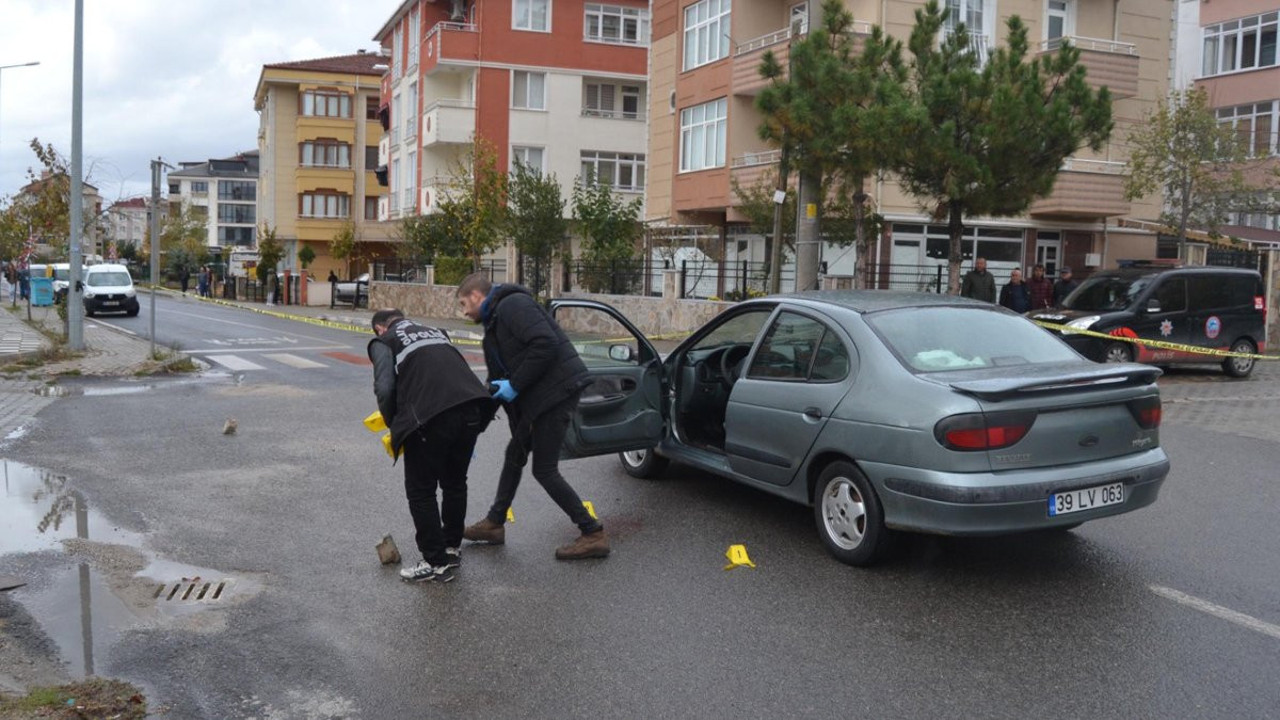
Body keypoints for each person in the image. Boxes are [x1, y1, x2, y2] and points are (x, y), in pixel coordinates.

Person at [456, 273, 610, 560]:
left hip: (556, 394)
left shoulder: (513, 305)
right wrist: (472, 427)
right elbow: (497, 380)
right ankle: (494, 523)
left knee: (544, 470)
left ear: (477, 296)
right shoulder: (495, 320)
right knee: (515, 452)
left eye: (464, 304)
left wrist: (515, 385)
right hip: (540, 398)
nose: (464, 312)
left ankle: (592, 533)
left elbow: (545, 343)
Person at [368, 308, 494, 583]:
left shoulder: (384, 341)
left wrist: (396, 426)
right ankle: (451, 548)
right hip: (472, 409)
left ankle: (435, 562)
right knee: (454, 483)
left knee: (420, 490)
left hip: (432, 417)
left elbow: (385, 389)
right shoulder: (437, 332)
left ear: (380, 328)